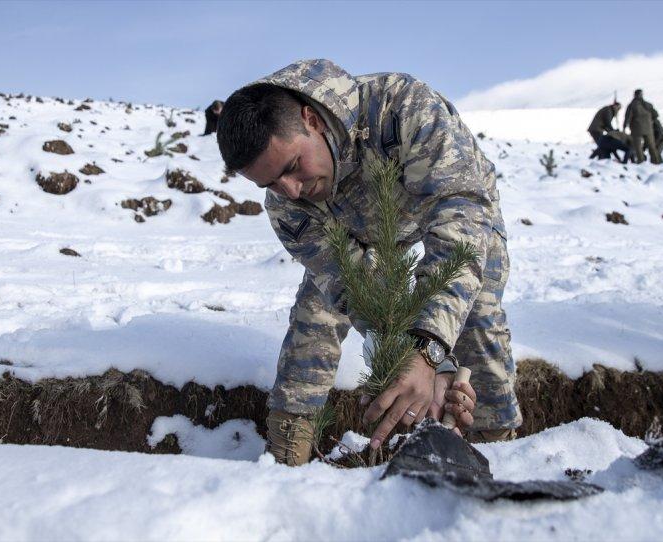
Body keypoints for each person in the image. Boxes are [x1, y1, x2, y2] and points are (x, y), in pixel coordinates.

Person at [216, 59, 522, 466]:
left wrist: (430, 349)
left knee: (476, 316)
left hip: (458, 203)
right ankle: (288, 448)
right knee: (317, 314)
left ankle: (501, 446)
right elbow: (354, 288)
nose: (290, 190)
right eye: (269, 183)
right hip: (359, 231)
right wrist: (408, 362)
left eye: (292, 167)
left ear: (313, 120)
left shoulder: (402, 109)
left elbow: (459, 219)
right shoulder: (288, 208)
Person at [624, 89, 661, 164]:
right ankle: (656, 162)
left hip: (636, 129)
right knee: (652, 146)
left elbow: (628, 117)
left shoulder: (632, 105)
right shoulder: (648, 104)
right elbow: (656, 115)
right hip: (648, 129)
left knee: (638, 147)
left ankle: (641, 162)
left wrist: (624, 126)